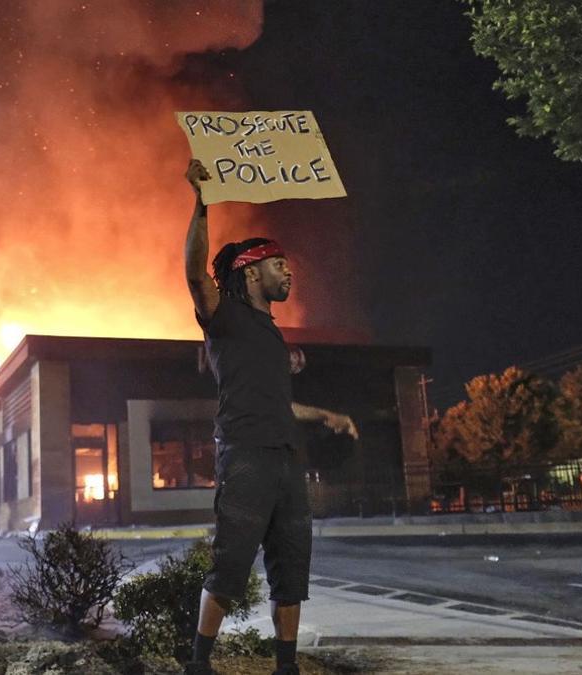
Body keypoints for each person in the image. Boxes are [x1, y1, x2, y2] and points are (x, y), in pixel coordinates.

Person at [183, 159, 359, 675]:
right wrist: (201, 201)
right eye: (279, 265)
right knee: (231, 565)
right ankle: (200, 664)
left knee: (292, 568)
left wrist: (325, 414)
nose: (289, 272)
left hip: (284, 461)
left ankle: (287, 667)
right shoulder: (226, 318)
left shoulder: (273, 335)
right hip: (244, 457)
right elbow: (196, 274)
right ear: (251, 270)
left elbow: (277, 403)